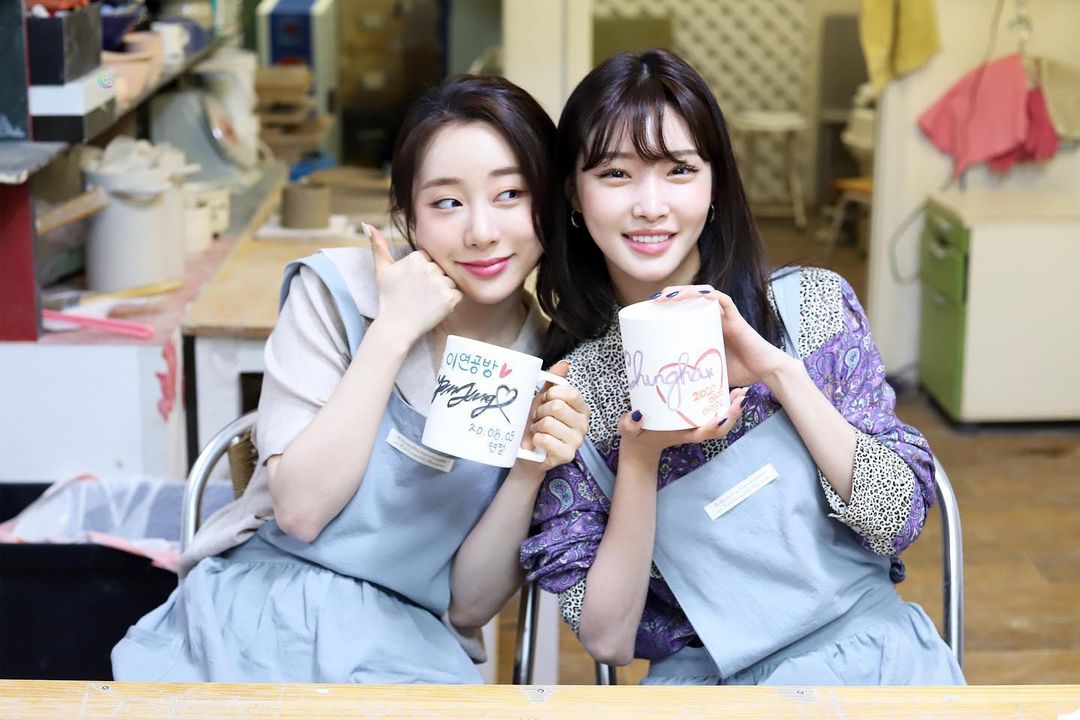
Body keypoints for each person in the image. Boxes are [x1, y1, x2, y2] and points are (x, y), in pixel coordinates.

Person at [112, 75, 589, 683]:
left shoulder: (553, 362)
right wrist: (392, 331)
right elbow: (301, 512)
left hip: (406, 645)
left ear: (552, 201)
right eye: (446, 202)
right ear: (408, 214)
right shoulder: (335, 293)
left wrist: (528, 468)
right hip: (262, 611)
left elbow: (468, 606)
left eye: (511, 194)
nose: (481, 231)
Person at [522, 49, 965, 686]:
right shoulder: (574, 388)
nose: (651, 205)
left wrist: (781, 372)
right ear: (573, 191)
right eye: (616, 173)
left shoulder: (809, 306)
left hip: (872, 661)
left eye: (679, 170)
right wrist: (639, 459)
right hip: (708, 688)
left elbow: (897, 520)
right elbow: (608, 639)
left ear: (715, 186)